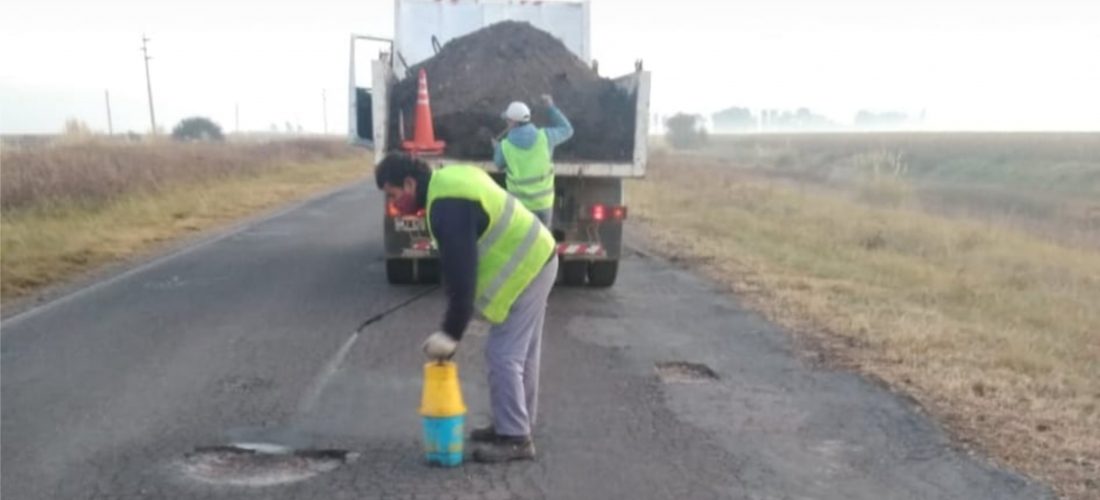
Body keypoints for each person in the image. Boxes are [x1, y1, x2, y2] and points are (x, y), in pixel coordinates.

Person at [375, 153, 558, 463]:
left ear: (408, 183)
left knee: (503, 354)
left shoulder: (447, 205)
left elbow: (463, 278)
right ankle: (514, 425)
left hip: (530, 266)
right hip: (539, 256)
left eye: (393, 195)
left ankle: (515, 438)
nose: (395, 203)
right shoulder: (448, 182)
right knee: (523, 353)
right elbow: (456, 264)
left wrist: (450, 333)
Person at [492, 94, 574, 227]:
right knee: (542, 244)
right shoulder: (545, 137)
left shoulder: (505, 146)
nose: (507, 123)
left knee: (522, 243)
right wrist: (551, 108)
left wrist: (496, 148)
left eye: (507, 120)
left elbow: (499, 165)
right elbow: (567, 130)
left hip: (520, 207)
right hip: (544, 204)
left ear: (513, 122)